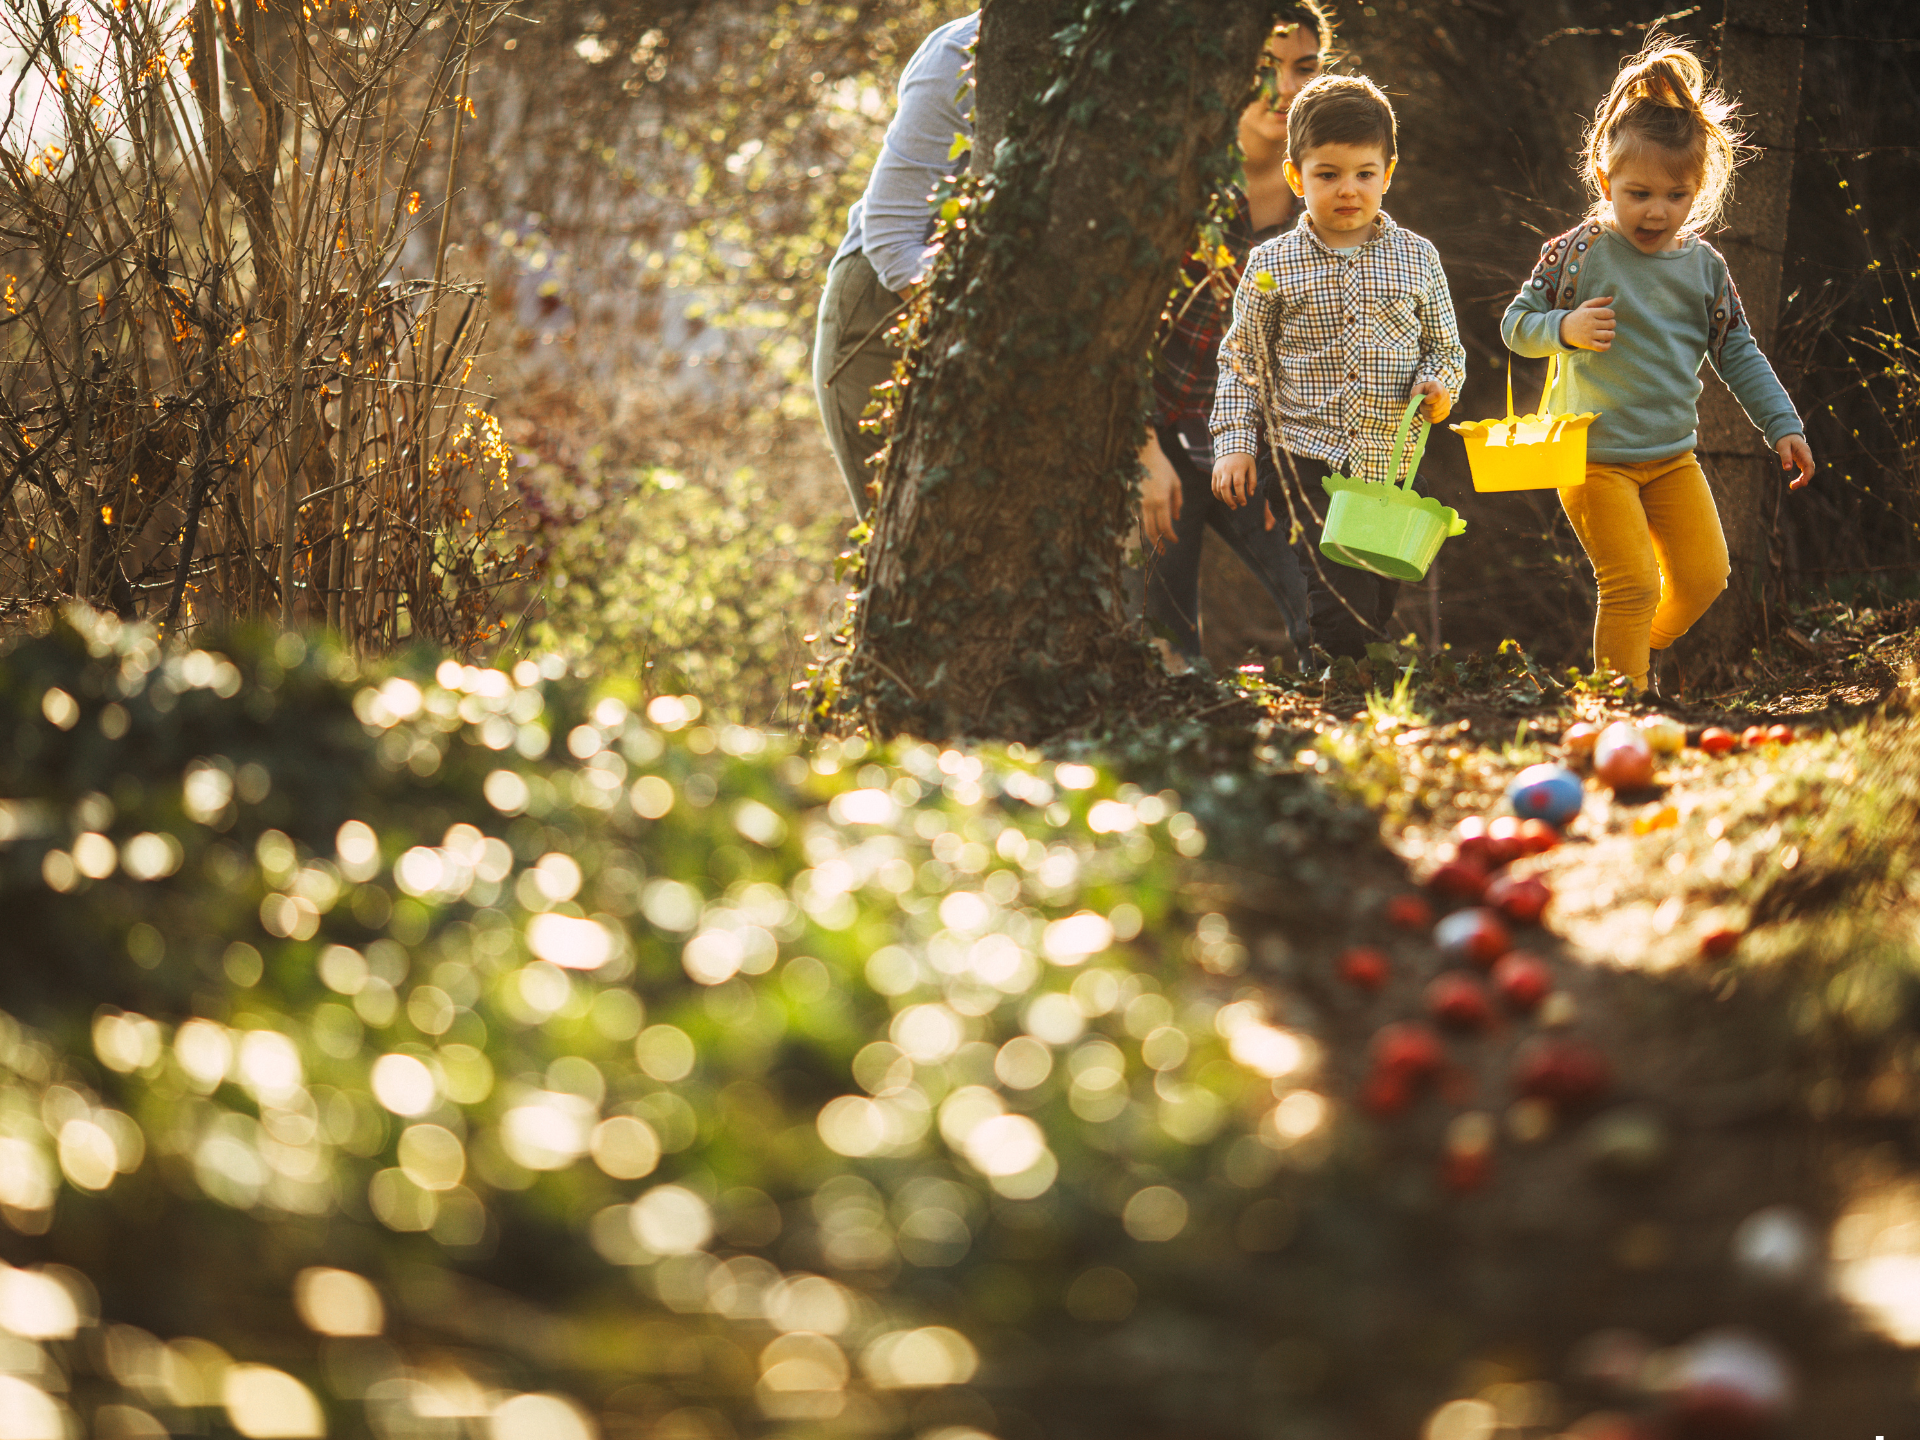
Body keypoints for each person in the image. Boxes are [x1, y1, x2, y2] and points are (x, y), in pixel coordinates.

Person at [1500, 40, 1815, 693]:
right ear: (1604, 176)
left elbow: (1738, 351)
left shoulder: (1705, 270)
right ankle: (1622, 710)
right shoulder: (1578, 253)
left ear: (1697, 191)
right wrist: (1565, 328)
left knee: (1705, 578)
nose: (1656, 211)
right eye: (1638, 192)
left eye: (1676, 195)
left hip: (1671, 457)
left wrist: (1783, 425)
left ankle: (1623, 661)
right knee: (1634, 582)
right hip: (1589, 456)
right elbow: (1515, 328)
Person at [1209, 74, 1466, 660]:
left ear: (1388, 173)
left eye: (1363, 174)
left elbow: (1446, 349)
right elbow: (1241, 359)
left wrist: (1439, 387)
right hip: (1305, 456)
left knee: (1375, 594)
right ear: (1297, 176)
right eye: (1328, 175)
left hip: (1390, 461)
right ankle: (1340, 686)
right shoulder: (1271, 264)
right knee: (1337, 589)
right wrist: (1234, 444)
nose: (1347, 190)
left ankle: (1357, 681)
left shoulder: (1417, 257)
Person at [1138, 5, 1331, 667]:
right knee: (1164, 649)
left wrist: (1290, 470)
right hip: (1157, 440)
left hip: (1250, 448)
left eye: (1304, 69)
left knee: (1325, 612)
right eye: (1264, 69)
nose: (1284, 90)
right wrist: (1141, 456)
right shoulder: (1180, 184)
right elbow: (1117, 341)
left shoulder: (1330, 201)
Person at [813, 12, 979, 518]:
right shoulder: (964, 52)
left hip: (969, 314)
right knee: (908, 551)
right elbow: (893, 242)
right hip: (880, 319)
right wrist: (985, 342)